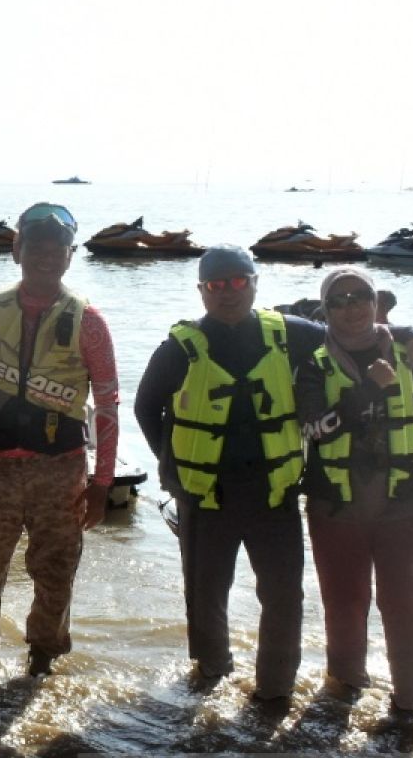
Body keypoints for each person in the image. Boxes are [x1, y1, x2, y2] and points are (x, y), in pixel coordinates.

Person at [295, 266, 413, 717]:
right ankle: (344, 693)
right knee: (344, 605)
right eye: (338, 301)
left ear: (375, 301)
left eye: (359, 296)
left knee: (405, 606)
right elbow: (313, 429)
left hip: (404, 508)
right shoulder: (312, 362)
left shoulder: (412, 354)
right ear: (325, 311)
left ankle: (408, 705)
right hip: (335, 509)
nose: (351, 308)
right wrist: (365, 389)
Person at [134, 244, 324, 701]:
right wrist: (172, 463)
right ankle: (211, 672)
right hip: (204, 495)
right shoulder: (181, 347)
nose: (228, 292)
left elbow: (348, 336)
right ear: (202, 290)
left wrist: (407, 343)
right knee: (205, 592)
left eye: (239, 281)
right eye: (216, 284)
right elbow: (145, 406)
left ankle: (275, 687)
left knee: (283, 595)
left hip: (274, 493)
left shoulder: (290, 335)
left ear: (255, 283)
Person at [0, 202, 119, 678]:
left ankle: (42, 659)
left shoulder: (89, 322)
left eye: (56, 249)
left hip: (61, 469)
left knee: (56, 572)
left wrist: (102, 483)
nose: (45, 257)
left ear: (69, 255)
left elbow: (107, 404)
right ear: (17, 250)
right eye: (35, 247)